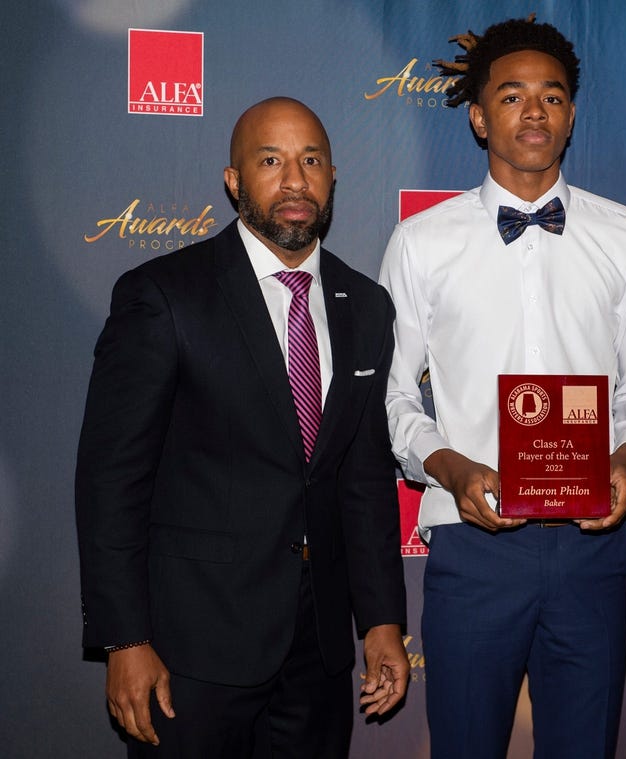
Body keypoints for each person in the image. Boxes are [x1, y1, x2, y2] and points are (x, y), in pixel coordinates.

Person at [75, 96, 409, 757]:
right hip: (189, 653)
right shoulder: (165, 296)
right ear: (233, 181)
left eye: (310, 160)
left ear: (334, 176)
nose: (295, 180)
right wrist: (123, 639)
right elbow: (111, 480)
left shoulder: (366, 306)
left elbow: (364, 480)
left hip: (316, 653)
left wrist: (381, 619)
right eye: (270, 160)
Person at [379, 16, 626, 759]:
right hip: (475, 550)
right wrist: (450, 468)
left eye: (552, 96)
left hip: (592, 548)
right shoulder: (422, 242)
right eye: (510, 96)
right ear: (478, 117)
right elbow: (392, 399)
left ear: (572, 114)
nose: (533, 111)